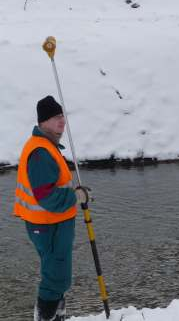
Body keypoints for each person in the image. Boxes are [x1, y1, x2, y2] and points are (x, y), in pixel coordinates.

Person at [13, 96, 90, 321]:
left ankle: (58, 315)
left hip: (53, 223)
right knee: (56, 277)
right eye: (57, 117)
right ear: (44, 121)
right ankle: (45, 317)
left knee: (57, 274)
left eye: (62, 116)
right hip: (48, 223)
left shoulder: (48, 146)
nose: (62, 121)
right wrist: (75, 196)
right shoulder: (40, 152)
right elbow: (46, 196)